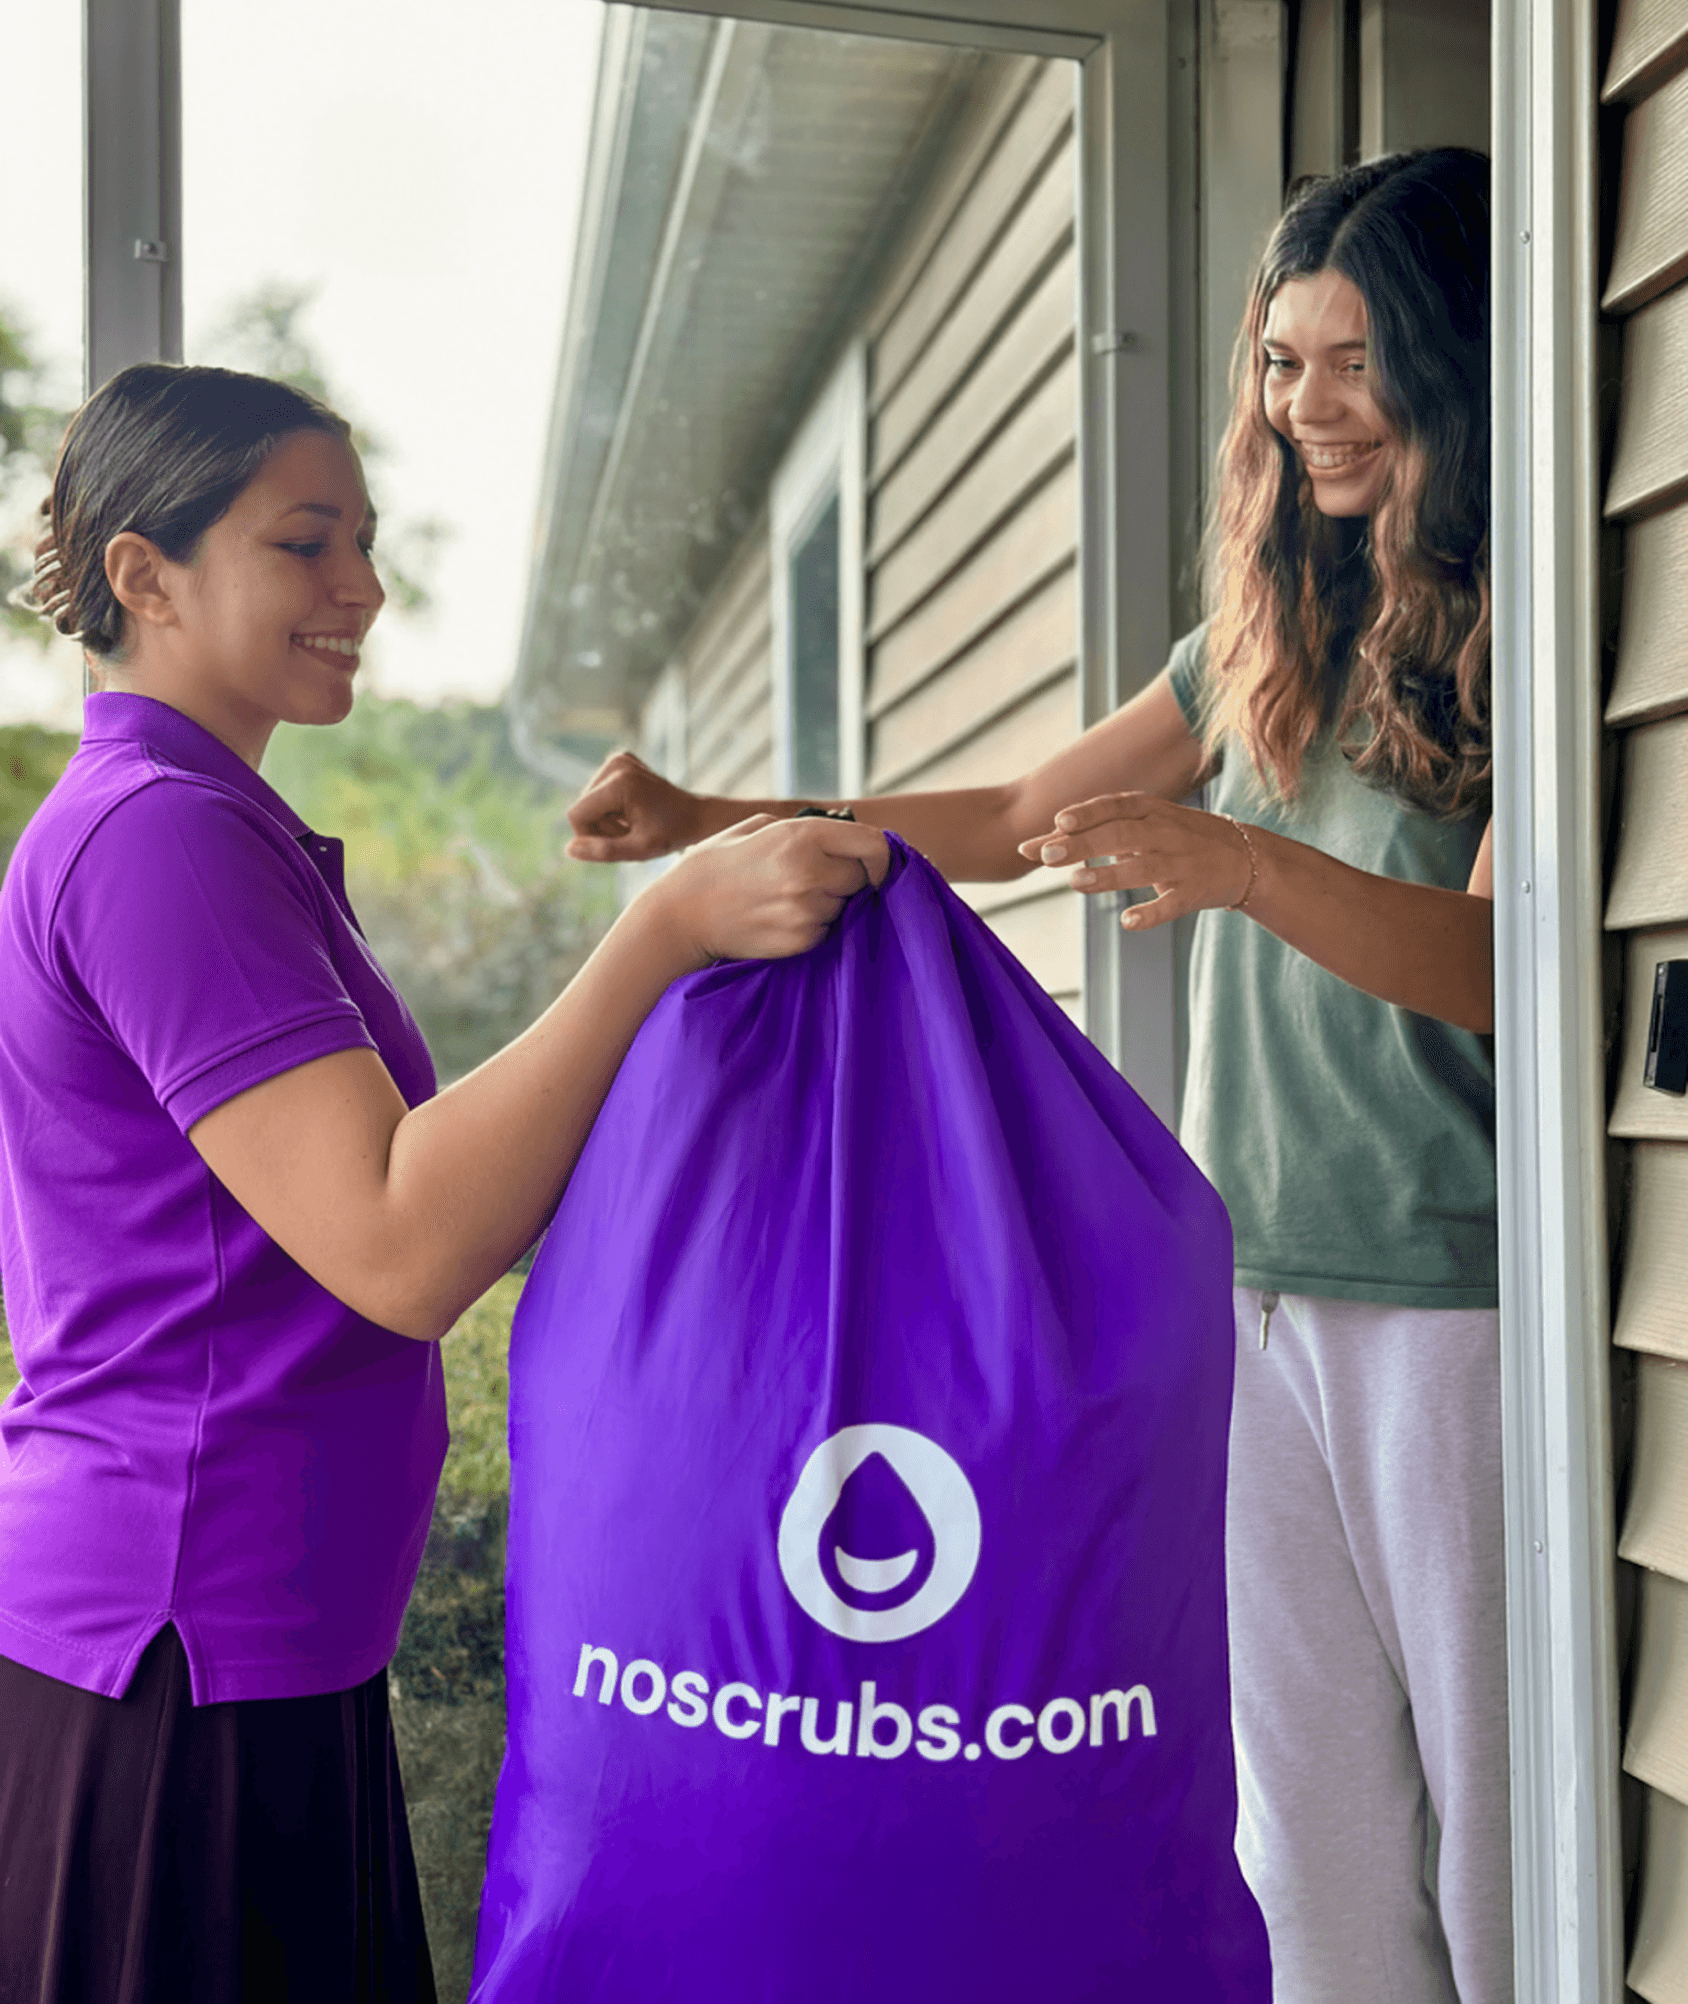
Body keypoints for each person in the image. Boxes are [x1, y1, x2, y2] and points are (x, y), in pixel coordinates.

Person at [564, 148, 1503, 2004]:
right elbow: (1010, 815)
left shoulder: (1518, 638)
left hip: (1453, 1295)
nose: (1307, 406)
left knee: (1493, 1827)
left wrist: (1243, 865)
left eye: (1356, 363)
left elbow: (1495, 973)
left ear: (1454, 370)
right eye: (1281, 361)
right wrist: (708, 817)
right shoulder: (1263, 646)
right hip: (1245, 1290)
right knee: (1304, 1845)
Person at [0, 361, 888, 2003]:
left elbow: (448, 1190)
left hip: (253, 1638)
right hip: (178, 1651)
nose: (364, 587)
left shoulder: (205, 823)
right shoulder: (158, 839)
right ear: (145, 574)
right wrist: (659, 931)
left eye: (366, 540)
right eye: (306, 543)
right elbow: (401, 1244)